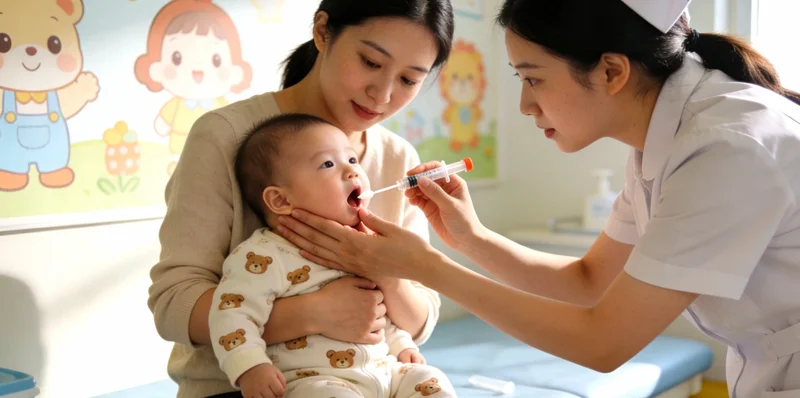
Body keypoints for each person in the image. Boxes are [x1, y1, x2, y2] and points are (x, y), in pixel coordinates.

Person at [273, 0, 800, 397]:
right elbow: (590, 282)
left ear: (612, 72)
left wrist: (428, 266)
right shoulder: (663, 140)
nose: (525, 104)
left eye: (533, 79)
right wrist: (471, 238)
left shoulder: (726, 147)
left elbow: (602, 342)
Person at [146, 1, 455, 397]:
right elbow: (174, 305)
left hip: (375, 380)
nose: (383, 94)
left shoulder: (398, 159)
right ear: (323, 31)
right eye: (370, 62)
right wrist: (314, 313)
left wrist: (388, 273)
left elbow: (419, 320)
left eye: (409, 80)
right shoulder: (225, 136)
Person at [209, 113, 454, 398]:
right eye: (328, 164)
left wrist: (402, 346)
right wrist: (250, 367)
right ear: (281, 200)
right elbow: (231, 314)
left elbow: (377, 310)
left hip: (384, 373)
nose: (352, 172)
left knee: (429, 380)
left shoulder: (366, 245)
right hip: (316, 381)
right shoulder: (265, 255)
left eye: (352, 160)